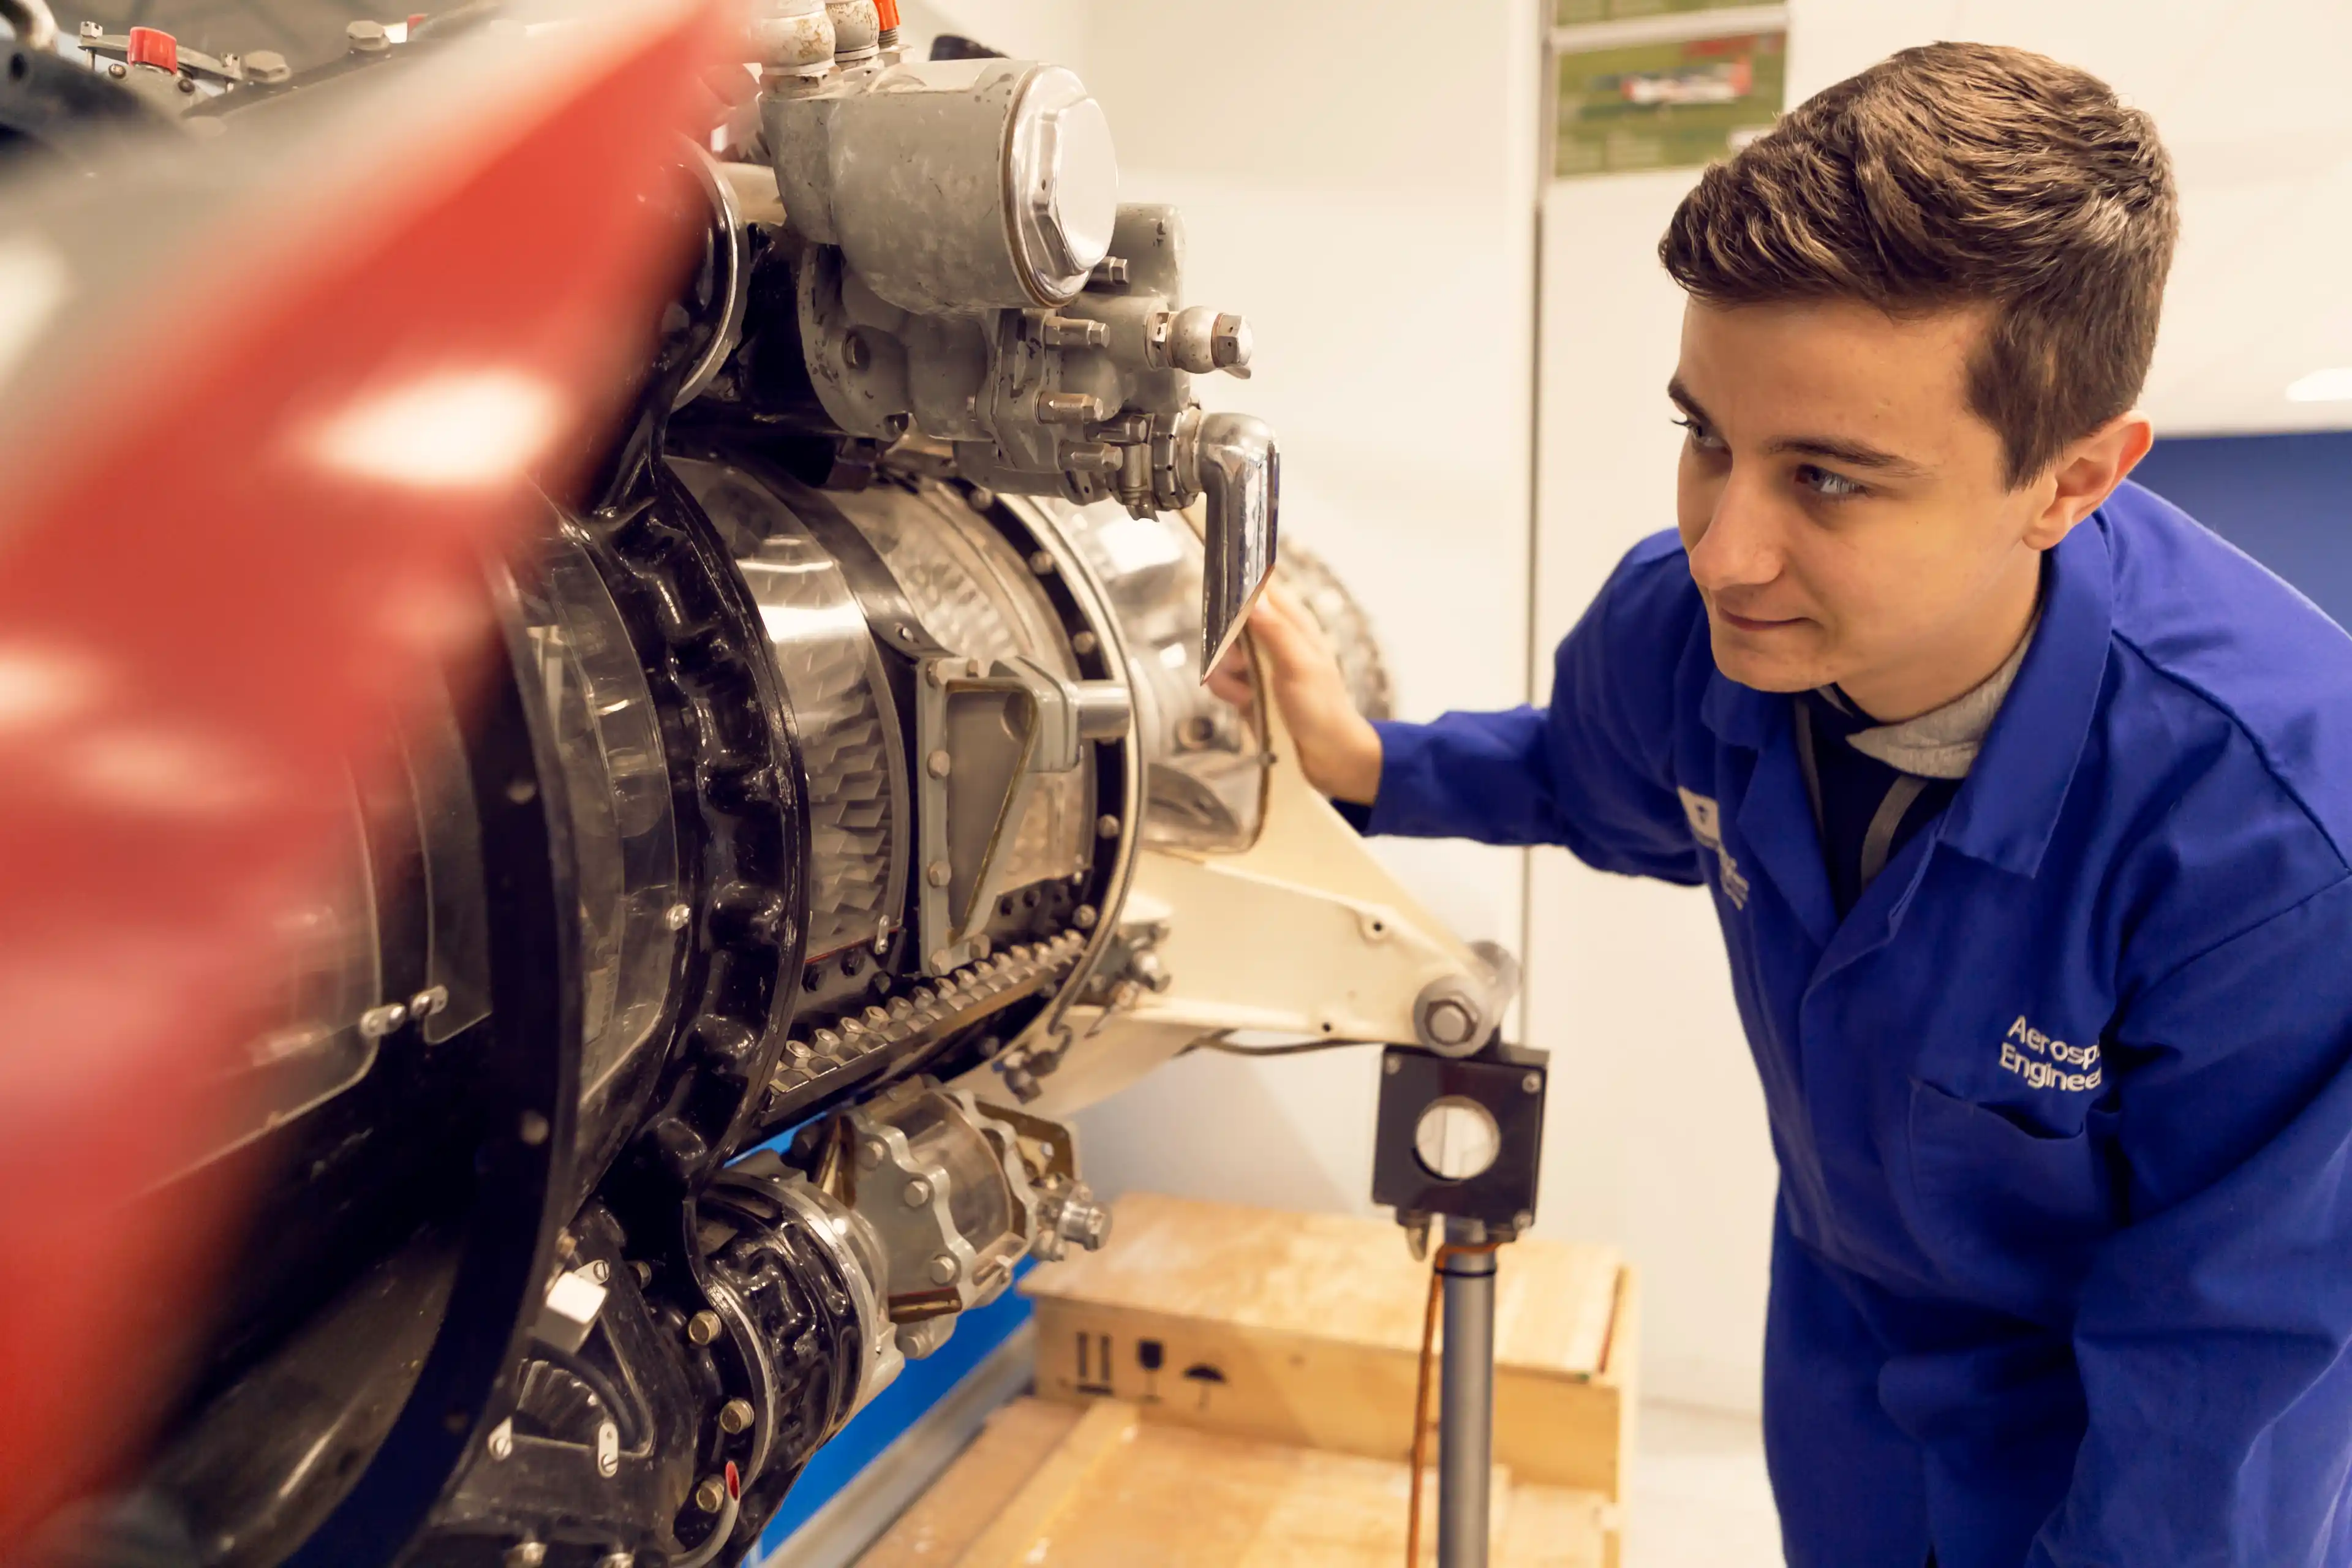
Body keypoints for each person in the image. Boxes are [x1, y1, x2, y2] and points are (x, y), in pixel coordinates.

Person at [1216, 41, 2352, 1568]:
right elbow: (1584, 773)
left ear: (2072, 480)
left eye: (1827, 478)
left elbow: (2232, 1368)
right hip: (1845, 1368)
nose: (1723, 545)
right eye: (1706, 436)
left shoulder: (2274, 836)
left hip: (2124, 1429)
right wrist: (1371, 763)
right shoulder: (1691, 631)